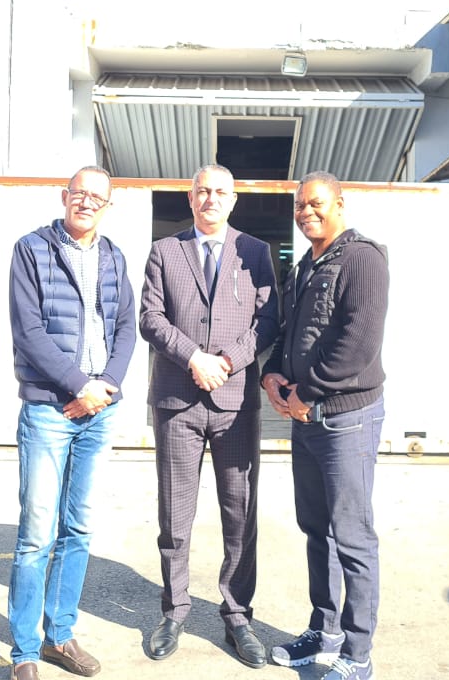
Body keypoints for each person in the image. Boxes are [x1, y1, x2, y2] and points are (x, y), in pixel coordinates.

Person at [139, 164, 280, 668]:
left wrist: (227, 361)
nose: (211, 199)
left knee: (239, 514)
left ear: (233, 200)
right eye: (202, 191)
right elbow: (150, 318)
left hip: (234, 404)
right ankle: (174, 610)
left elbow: (269, 320)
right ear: (191, 199)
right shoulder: (165, 251)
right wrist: (193, 358)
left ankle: (238, 615)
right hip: (177, 402)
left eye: (220, 191)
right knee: (175, 515)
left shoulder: (255, 252)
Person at [7, 165, 136, 680]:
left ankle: (60, 636)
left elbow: (126, 328)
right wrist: (80, 385)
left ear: (107, 206)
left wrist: (106, 387)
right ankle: (24, 652)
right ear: (64, 197)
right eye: (79, 193)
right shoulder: (31, 250)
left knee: (78, 527)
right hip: (49, 410)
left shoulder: (114, 256)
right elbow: (28, 331)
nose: (86, 202)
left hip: (99, 410)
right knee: (36, 534)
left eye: (96, 197)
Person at [261, 171, 389, 680]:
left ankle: (357, 655)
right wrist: (273, 372)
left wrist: (306, 391)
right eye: (300, 206)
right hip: (307, 420)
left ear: (339, 203)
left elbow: (359, 342)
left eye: (315, 203)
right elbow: (290, 332)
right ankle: (325, 630)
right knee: (318, 530)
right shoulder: (305, 266)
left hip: (346, 421)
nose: (306, 212)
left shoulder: (363, 259)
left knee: (352, 537)